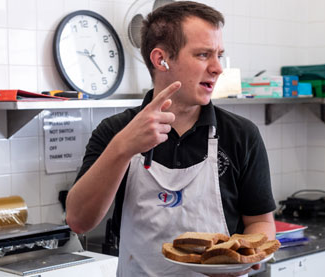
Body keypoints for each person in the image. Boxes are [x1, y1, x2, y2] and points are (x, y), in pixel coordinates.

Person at [65, 1, 276, 276]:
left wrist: (246, 256)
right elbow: (79, 221)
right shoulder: (114, 131)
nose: (217, 68)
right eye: (203, 55)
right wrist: (122, 148)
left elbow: (261, 221)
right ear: (161, 59)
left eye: (219, 55)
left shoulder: (241, 135)